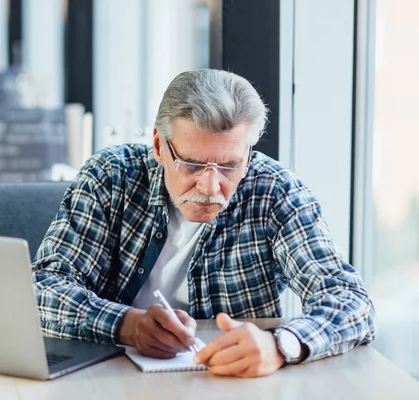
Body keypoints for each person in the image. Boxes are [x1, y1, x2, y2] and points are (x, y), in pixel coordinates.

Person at [32, 69, 376, 378]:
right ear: (158, 146)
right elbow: (41, 289)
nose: (211, 188)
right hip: (106, 380)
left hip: (231, 383)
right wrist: (127, 325)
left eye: (230, 166)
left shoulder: (274, 192)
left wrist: (281, 345)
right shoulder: (111, 178)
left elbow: (351, 300)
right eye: (193, 164)